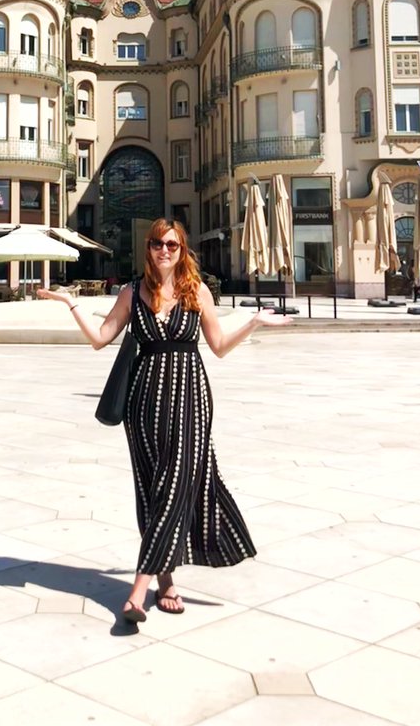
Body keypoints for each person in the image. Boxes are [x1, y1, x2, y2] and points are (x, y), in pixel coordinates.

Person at [37, 217, 288, 624]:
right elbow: (101, 339)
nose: (165, 251)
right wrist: (71, 304)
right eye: (158, 244)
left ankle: (137, 593)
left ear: (182, 248)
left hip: (190, 399)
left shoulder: (197, 291)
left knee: (175, 487)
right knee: (152, 491)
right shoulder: (131, 292)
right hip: (144, 405)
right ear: (148, 248)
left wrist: (254, 322)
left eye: (172, 244)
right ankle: (166, 580)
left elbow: (219, 347)